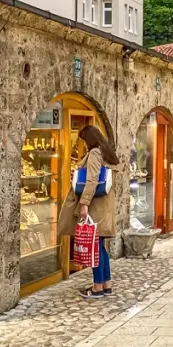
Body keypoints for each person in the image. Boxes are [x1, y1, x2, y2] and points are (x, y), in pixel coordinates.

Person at [59, 125, 123, 299]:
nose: (84, 144)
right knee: (101, 247)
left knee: (95, 247)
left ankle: (97, 288)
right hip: (104, 206)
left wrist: (84, 204)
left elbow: (92, 179)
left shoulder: (95, 153)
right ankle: (106, 284)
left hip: (95, 206)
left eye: (84, 140)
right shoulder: (107, 154)